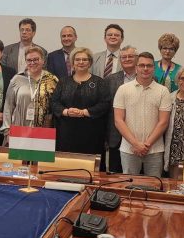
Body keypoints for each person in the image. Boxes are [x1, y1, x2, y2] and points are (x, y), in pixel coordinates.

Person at [113, 52, 172, 178]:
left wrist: (146, 145)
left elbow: (163, 122)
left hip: (154, 150)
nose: (145, 69)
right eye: (142, 65)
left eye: (149, 66)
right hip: (129, 149)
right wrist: (135, 144)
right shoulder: (123, 89)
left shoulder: (163, 91)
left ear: (154, 68)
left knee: (154, 185)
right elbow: (118, 120)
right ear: (136, 67)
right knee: (129, 184)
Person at [51, 47, 110, 161]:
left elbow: (105, 104)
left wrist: (85, 112)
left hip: (92, 134)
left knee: (90, 166)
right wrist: (67, 112)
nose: (81, 62)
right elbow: (54, 102)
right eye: (77, 59)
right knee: (66, 165)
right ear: (72, 63)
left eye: (84, 59)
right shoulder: (63, 82)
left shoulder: (99, 82)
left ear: (90, 62)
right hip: (66, 134)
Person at [1, 46, 58, 141]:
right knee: (19, 151)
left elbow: (56, 106)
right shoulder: (17, 79)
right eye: (29, 60)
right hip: (19, 127)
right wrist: (7, 130)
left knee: (40, 151)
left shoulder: (52, 80)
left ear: (43, 60)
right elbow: (8, 106)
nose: (32, 63)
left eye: (36, 59)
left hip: (44, 129)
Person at [104, 45, 138, 173]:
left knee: (136, 177)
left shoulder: (149, 79)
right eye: (124, 57)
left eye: (131, 56)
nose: (127, 59)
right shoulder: (110, 80)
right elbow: (107, 110)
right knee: (115, 175)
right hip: (115, 136)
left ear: (137, 58)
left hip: (139, 135)